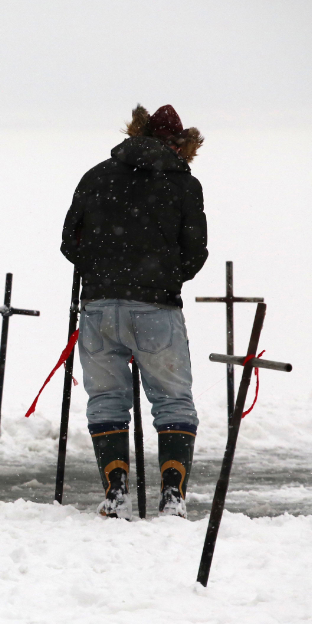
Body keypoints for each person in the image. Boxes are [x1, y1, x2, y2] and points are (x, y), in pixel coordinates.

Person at [60, 104, 207, 520]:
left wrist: (103, 270)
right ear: (180, 145)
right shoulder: (183, 184)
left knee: (106, 400)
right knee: (173, 401)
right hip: (157, 307)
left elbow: (71, 243)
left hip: (99, 307)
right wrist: (163, 276)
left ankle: (115, 493)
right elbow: (195, 253)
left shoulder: (97, 176)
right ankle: (173, 497)